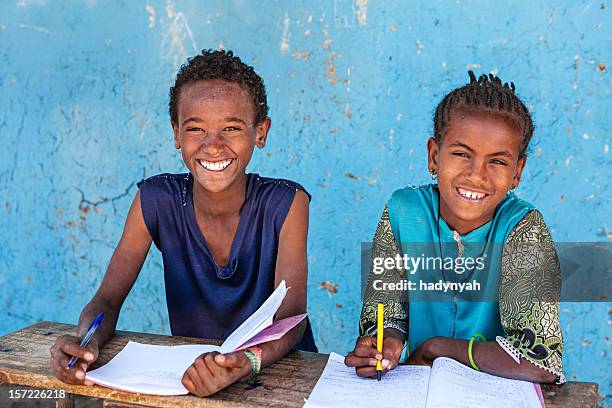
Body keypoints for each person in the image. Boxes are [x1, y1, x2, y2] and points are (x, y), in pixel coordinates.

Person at [50, 49, 317, 397]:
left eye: (232, 128)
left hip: (282, 379)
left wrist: (245, 361)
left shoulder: (286, 203)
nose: (213, 146)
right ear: (177, 133)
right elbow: (106, 301)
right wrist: (86, 342)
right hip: (191, 380)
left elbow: (290, 318)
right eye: (196, 129)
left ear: (260, 132)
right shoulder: (156, 200)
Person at [345, 71, 564, 384]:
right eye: (462, 154)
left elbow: (539, 360)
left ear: (518, 171)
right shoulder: (403, 213)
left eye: (498, 162)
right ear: (434, 156)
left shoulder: (523, 229)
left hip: (496, 393)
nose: (477, 175)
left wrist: (437, 349)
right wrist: (386, 344)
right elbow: (386, 316)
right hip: (419, 390)